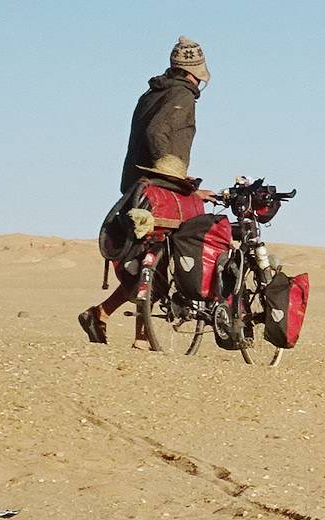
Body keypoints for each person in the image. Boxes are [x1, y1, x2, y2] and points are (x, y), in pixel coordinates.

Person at [81, 38, 217, 350]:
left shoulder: (153, 92)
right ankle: (141, 335)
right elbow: (158, 133)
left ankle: (101, 314)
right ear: (196, 73)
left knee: (147, 257)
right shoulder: (181, 94)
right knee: (156, 256)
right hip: (156, 189)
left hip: (137, 185)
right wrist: (173, 175)